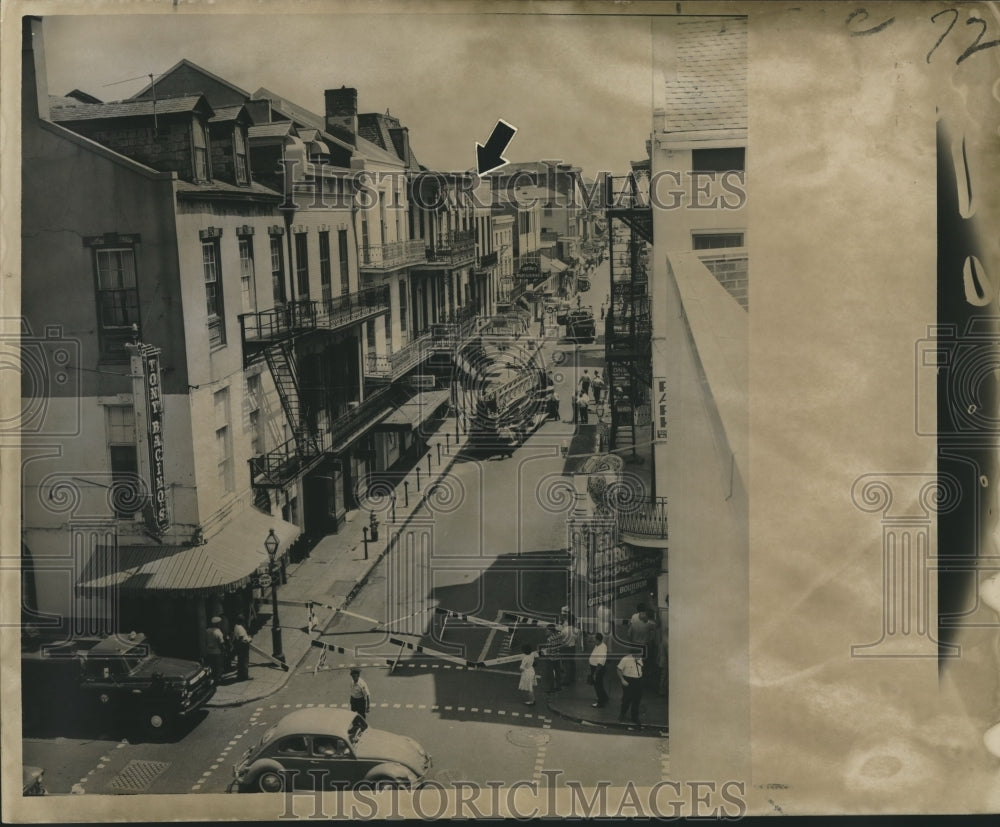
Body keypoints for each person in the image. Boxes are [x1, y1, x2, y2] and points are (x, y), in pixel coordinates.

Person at [617, 651, 644, 725]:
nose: (640, 656)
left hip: (638, 681)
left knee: (637, 700)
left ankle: (635, 717)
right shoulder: (626, 659)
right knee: (626, 699)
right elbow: (618, 670)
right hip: (628, 680)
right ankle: (622, 714)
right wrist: (622, 680)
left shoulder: (640, 658)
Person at [589, 633, 609, 708]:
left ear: (598, 640)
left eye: (594, 639)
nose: (593, 640)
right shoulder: (598, 645)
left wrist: (595, 674)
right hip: (595, 668)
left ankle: (600, 703)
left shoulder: (602, 647)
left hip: (598, 669)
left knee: (598, 686)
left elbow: (600, 662)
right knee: (600, 684)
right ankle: (605, 698)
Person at [204, 616, 226, 683]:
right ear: (217, 624)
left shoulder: (207, 630)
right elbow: (221, 643)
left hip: (208, 651)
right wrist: (224, 651)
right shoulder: (218, 632)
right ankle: (217, 679)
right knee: (217, 667)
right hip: (217, 652)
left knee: (210, 666)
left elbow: (205, 641)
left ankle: (211, 678)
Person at [232, 614, 251, 682]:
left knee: (240, 661)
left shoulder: (236, 626)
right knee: (245, 661)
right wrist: (248, 640)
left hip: (239, 647)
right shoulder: (240, 628)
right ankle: (245, 676)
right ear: (242, 621)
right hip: (243, 647)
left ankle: (240, 675)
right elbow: (241, 639)